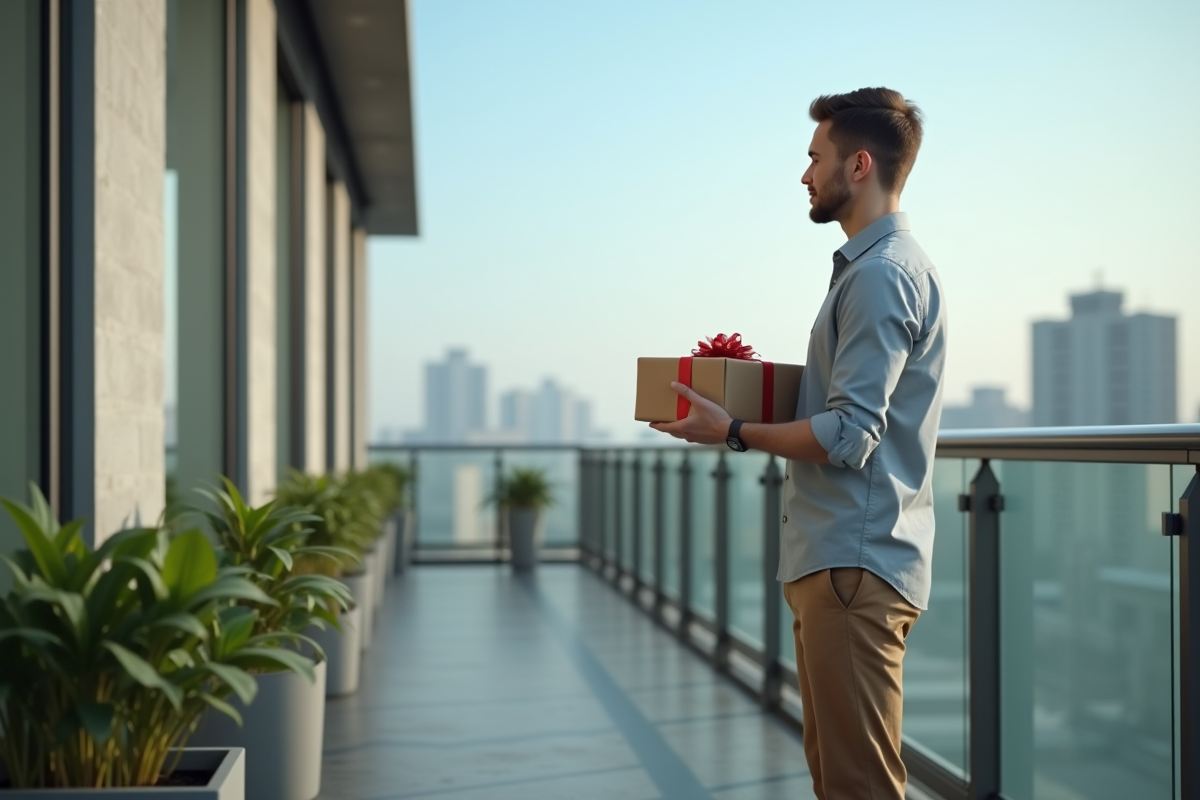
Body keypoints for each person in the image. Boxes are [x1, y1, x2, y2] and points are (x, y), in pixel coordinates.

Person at [651, 86, 946, 800]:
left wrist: (735, 431)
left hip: (854, 562)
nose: (805, 174)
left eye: (816, 157)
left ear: (860, 165)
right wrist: (744, 395)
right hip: (842, 558)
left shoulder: (879, 277)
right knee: (839, 778)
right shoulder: (874, 270)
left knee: (858, 786)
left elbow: (850, 435)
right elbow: (849, 409)